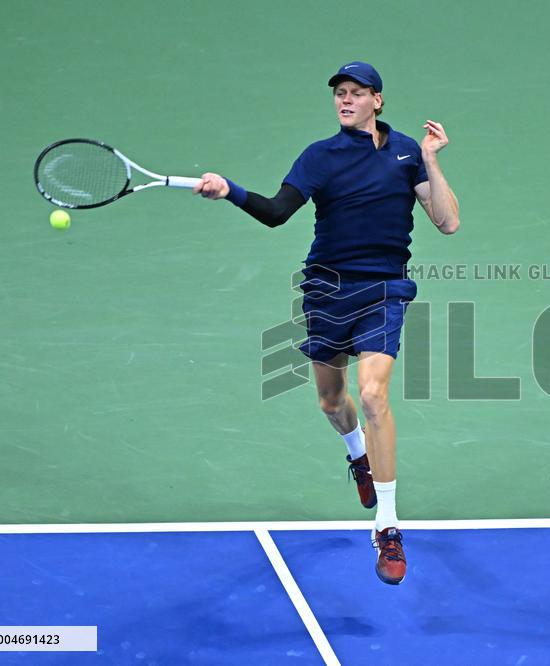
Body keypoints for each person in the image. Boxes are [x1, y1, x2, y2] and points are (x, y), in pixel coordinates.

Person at [192, 61, 459, 585]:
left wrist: (430, 161)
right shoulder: (320, 157)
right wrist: (231, 190)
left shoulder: (407, 152)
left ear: (377, 100)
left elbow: (447, 221)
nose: (345, 100)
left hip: (384, 288)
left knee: (375, 394)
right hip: (328, 290)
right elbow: (275, 212)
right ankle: (358, 456)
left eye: (357, 93)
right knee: (332, 402)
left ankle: (387, 527)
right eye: (340, 93)